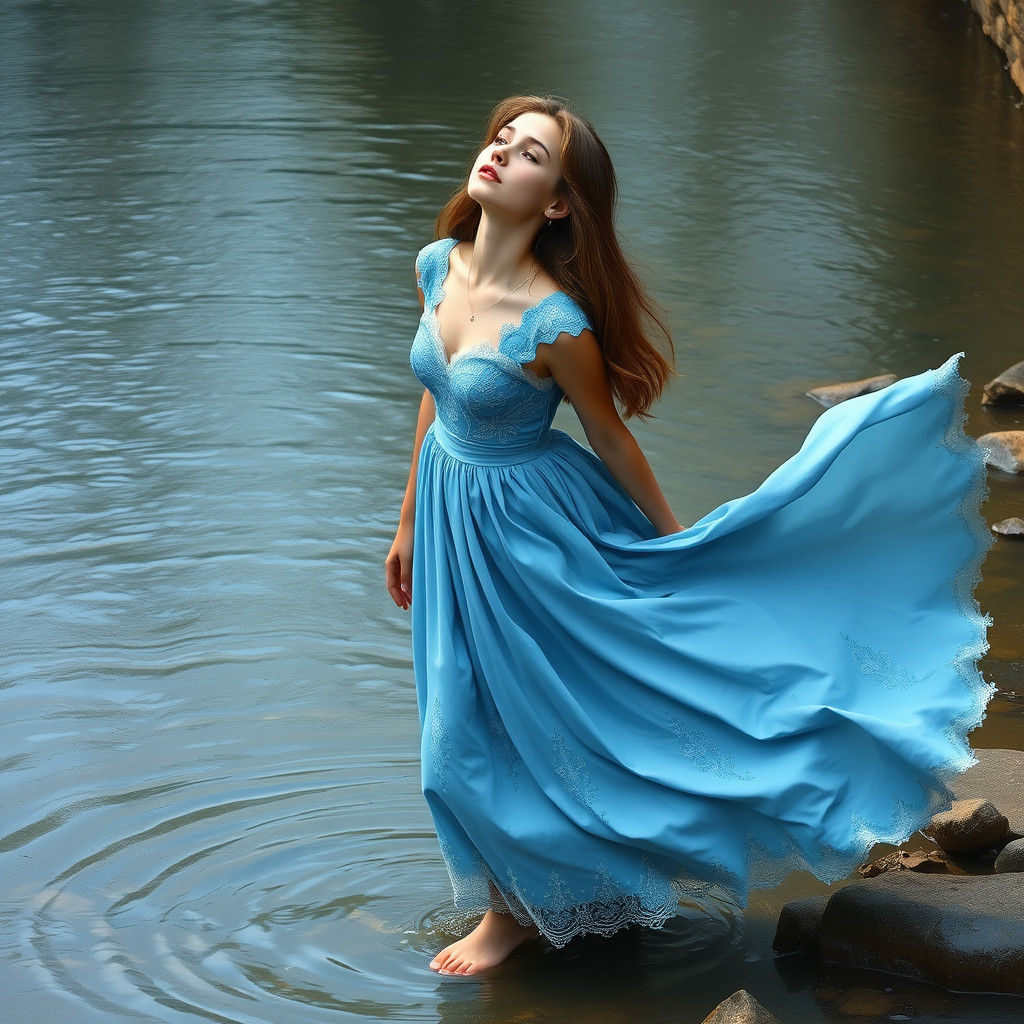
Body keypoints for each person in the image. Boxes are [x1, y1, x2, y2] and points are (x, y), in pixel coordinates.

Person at [385, 94, 994, 977]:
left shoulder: (557, 324)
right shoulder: (437, 266)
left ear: (558, 202)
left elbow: (609, 436)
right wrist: (404, 522)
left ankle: (511, 916)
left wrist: (682, 548)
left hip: (530, 535)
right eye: (499, 140)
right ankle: (545, 894)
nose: (499, 155)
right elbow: (436, 399)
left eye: (528, 155)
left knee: (513, 721)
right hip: (450, 519)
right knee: (465, 716)